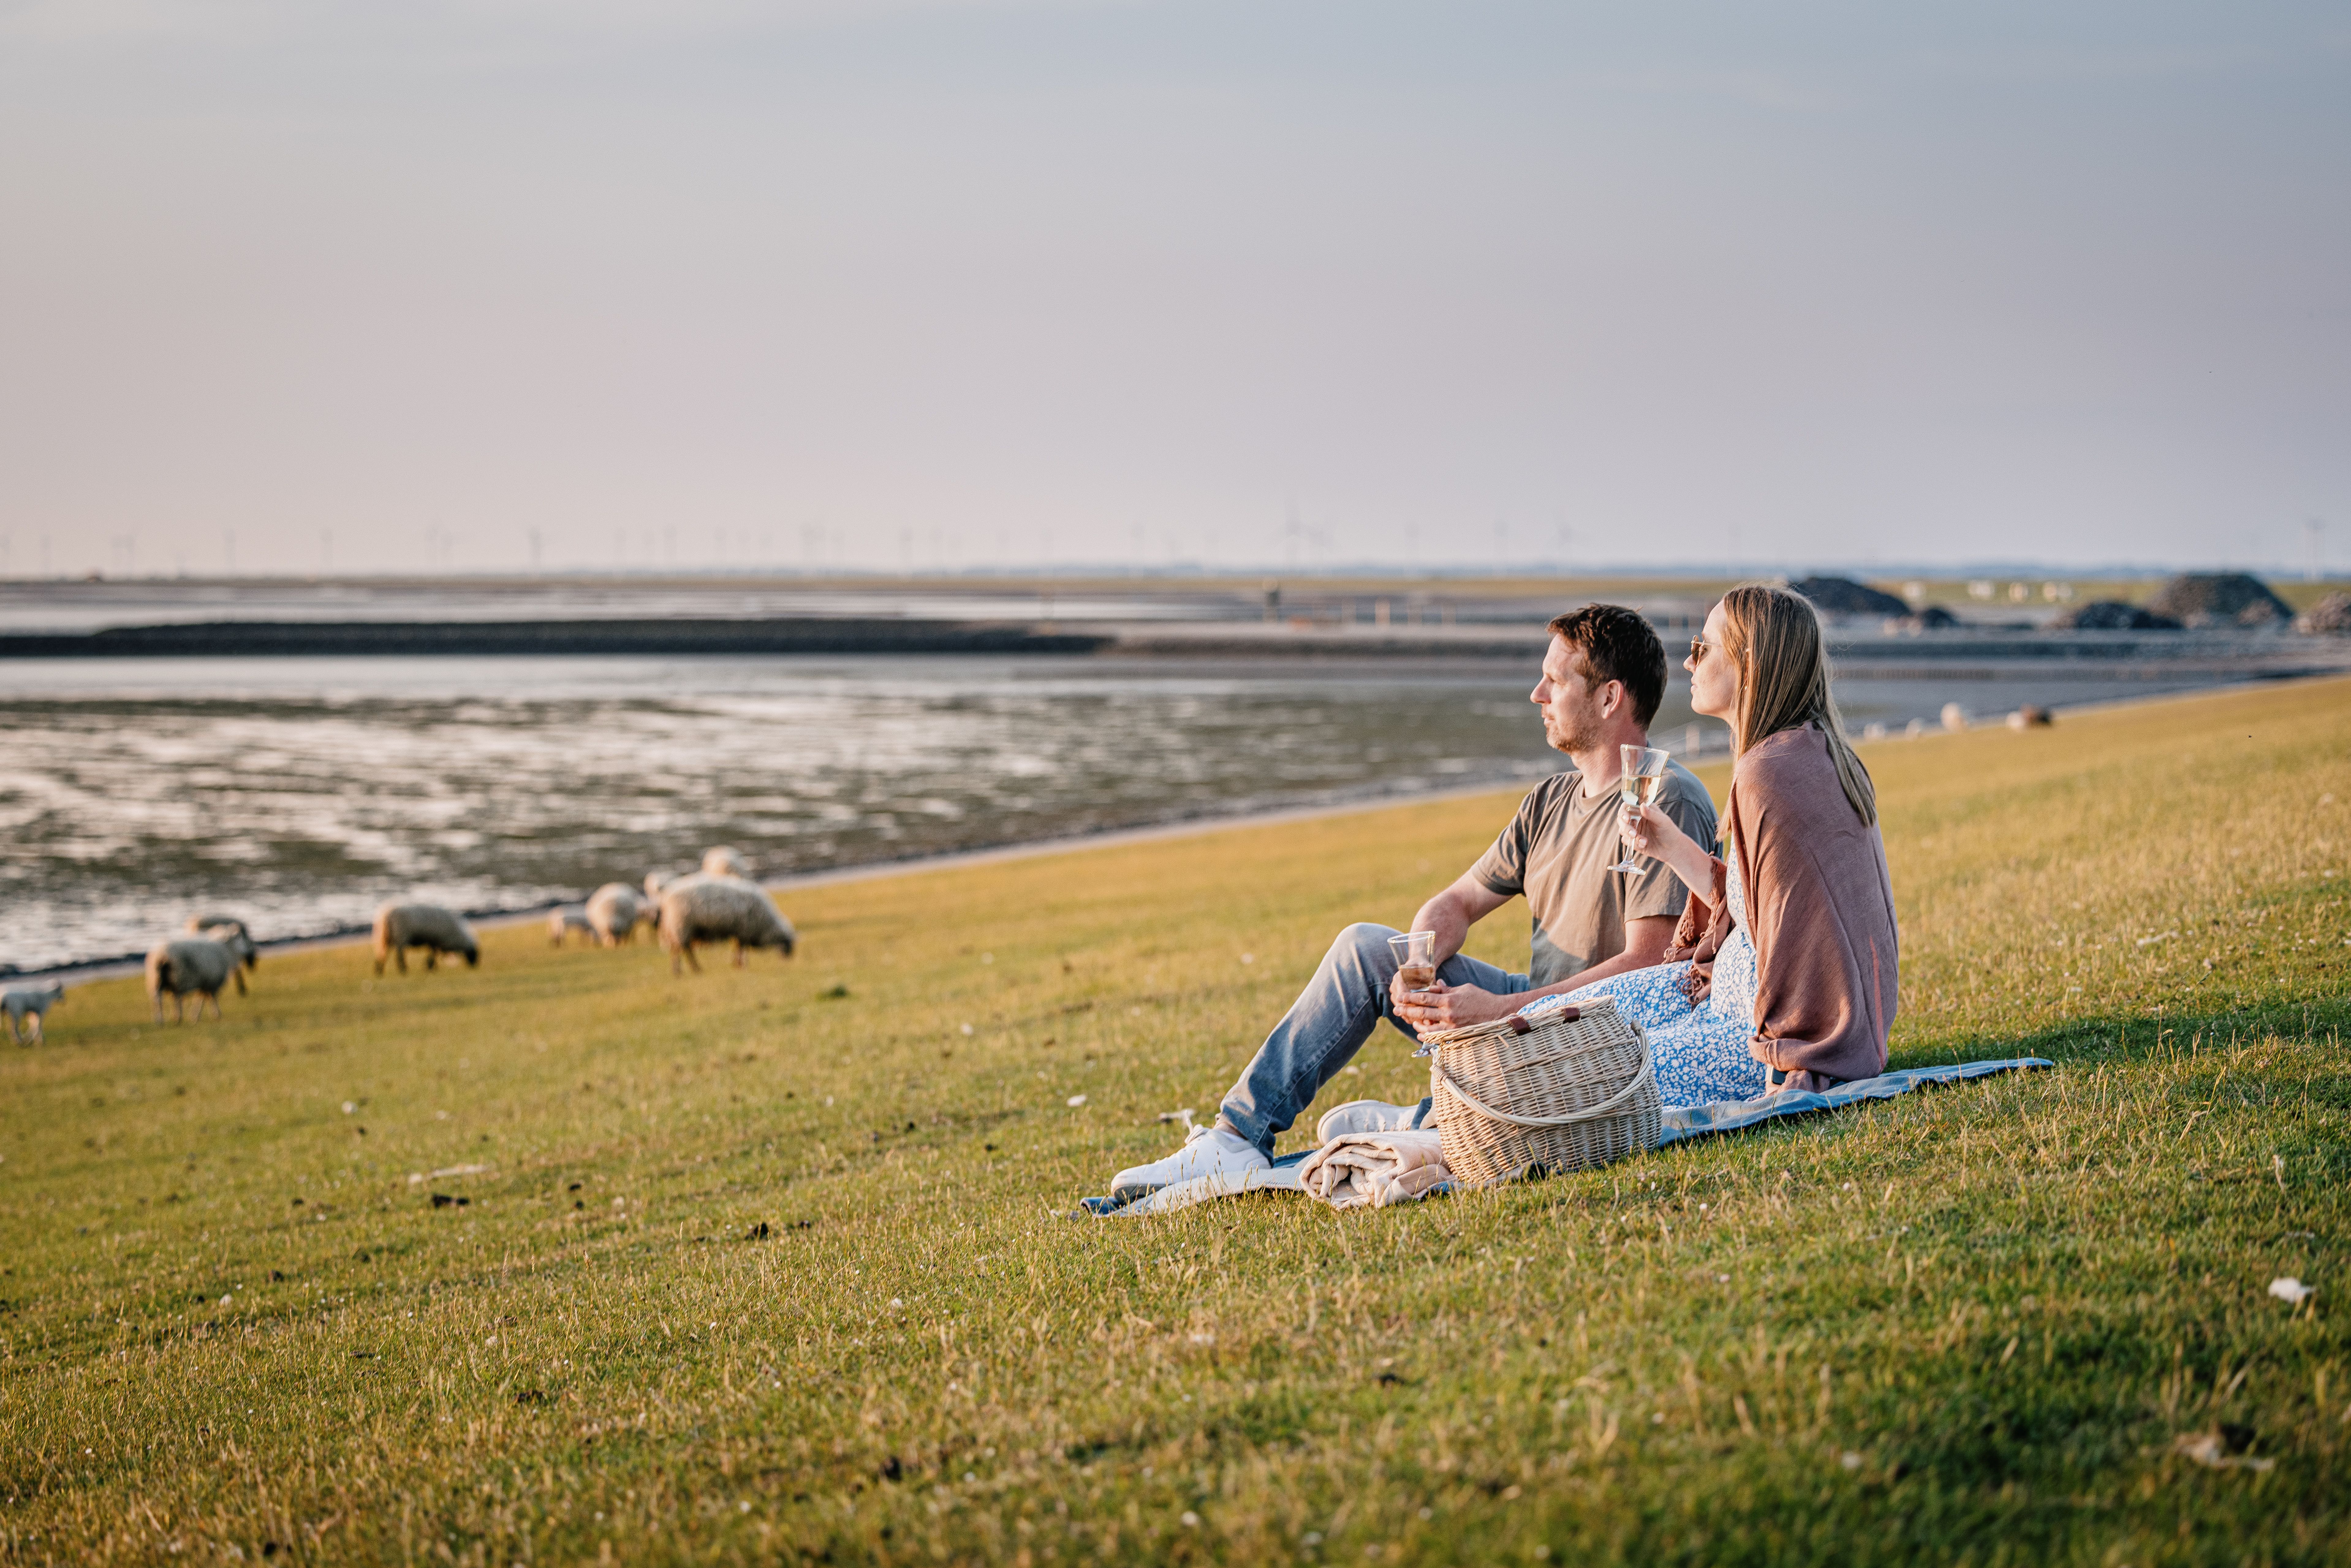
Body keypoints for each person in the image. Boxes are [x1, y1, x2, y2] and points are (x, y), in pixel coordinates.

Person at [1109, 604, 1718, 1200]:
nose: (1537, 694)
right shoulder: (1550, 800)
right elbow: (1456, 900)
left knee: (1463, 1006)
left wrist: (1499, 1011)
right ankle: (1239, 1136)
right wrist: (1419, 963)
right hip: (1528, 1017)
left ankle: (1426, 1117)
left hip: (1590, 1043)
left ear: (1610, 698)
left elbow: (1649, 968)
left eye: (1555, 681)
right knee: (1366, 949)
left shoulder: (1664, 798)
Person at [1547, 581, 1899, 1104]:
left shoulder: (1769, 773)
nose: (1689, 664)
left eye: (1702, 648)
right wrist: (1667, 847)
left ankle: (1429, 1131)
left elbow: (1798, 945)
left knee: (1579, 1076)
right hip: (1715, 1004)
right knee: (1547, 1024)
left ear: (1747, 661)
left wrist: (1786, 1061)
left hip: (1752, 1036)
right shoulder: (1806, 752)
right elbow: (1764, 909)